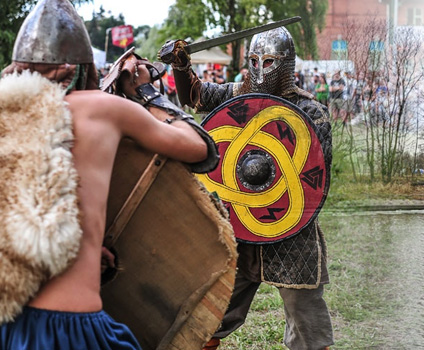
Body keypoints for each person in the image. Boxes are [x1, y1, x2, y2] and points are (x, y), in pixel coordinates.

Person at [0, 0, 218, 349]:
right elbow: (201, 149)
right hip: (72, 328)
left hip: (7, 323)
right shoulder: (103, 109)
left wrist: (84, 245)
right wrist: (145, 90)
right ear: (81, 65)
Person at [161, 26, 334, 350]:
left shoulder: (310, 111)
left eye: (268, 62)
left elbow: (314, 176)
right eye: (254, 60)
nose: (259, 68)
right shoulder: (236, 96)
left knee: (307, 321)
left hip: (289, 230)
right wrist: (181, 66)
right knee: (212, 314)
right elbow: (194, 96)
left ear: (285, 65)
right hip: (240, 225)